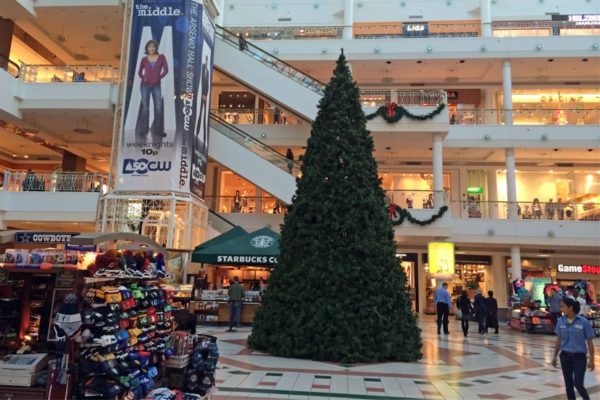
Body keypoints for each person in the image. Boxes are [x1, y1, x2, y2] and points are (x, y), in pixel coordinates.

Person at [552, 297, 595, 400]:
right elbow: (558, 340)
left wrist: (592, 359)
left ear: (570, 307)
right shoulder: (560, 321)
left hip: (579, 357)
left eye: (563, 306)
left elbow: (589, 342)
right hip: (565, 356)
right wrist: (554, 356)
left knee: (578, 383)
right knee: (568, 384)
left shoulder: (583, 322)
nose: (561, 309)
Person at [136, 39, 168, 139]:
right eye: (149, 46)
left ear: (156, 48)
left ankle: (158, 131)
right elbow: (139, 72)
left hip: (156, 86)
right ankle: (144, 130)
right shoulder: (144, 59)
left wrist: (159, 77)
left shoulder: (161, 57)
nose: (151, 48)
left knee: (158, 107)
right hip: (144, 86)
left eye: (153, 46)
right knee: (145, 108)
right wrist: (143, 78)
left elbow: (166, 70)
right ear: (147, 48)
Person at [195, 55, 211, 154]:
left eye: (207, 60)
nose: (206, 62)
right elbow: (200, 82)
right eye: (205, 60)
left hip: (205, 96)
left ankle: (204, 137)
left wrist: (206, 95)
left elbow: (207, 85)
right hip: (200, 96)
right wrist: (202, 94)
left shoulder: (208, 72)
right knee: (200, 115)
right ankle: (196, 133)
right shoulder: (201, 69)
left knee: (204, 117)